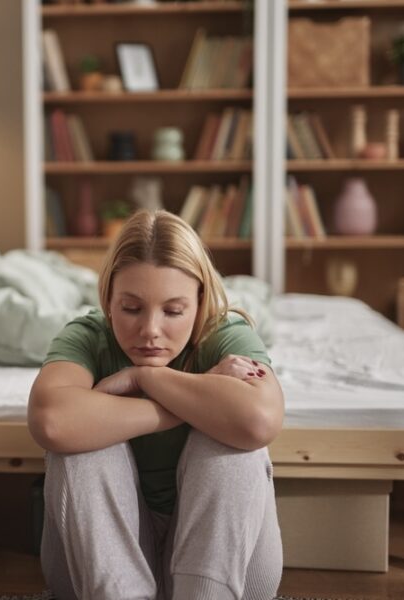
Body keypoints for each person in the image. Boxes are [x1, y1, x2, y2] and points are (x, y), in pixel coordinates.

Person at [28, 209, 284, 600]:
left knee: (234, 444)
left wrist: (144, 378)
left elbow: (259, 421)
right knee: (78, 447)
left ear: (199, 303)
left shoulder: (225, 334)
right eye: (131, 308)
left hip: (227, 569)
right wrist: (192, 396)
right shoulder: (87, 336)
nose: (150, 330)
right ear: (108, 300)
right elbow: (52, 422)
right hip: (97, 573)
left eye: (173, 311)